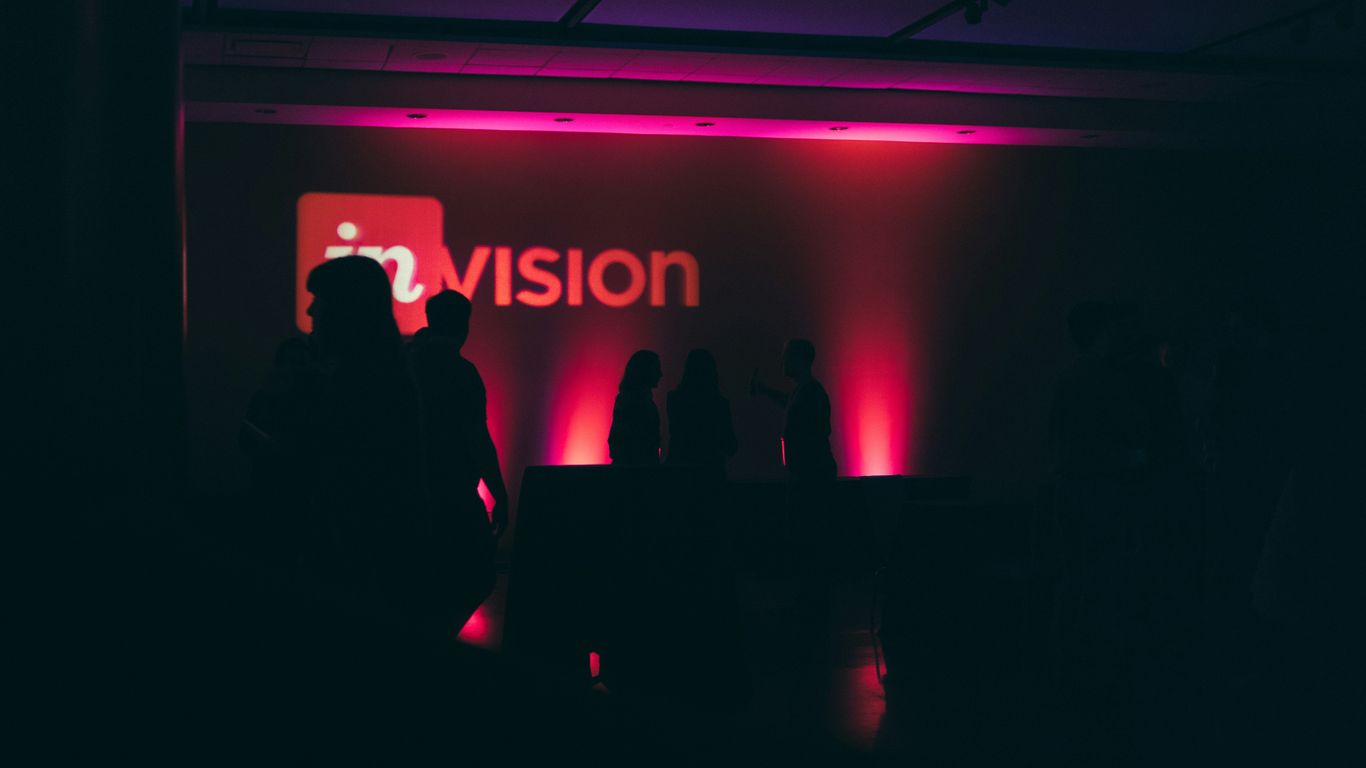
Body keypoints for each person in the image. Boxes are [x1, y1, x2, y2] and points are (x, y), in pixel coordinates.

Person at [407, 289, 509, 634]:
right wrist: (499, 492)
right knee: (477, 574)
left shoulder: (406, 362)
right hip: (452, 493)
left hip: (409, 490)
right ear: (465, 325)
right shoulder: (462, 373)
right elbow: (476, 437)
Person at [751, 338, 837, 482]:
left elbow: (792, 406)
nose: (783, 361)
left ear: (799, 359)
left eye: (787, 356)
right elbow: (790, 402)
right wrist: (765, 390)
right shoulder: (807, 391)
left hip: (811, 475)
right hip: (810, 472)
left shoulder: (810, 392)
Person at [666, 348, 738, 475]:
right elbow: (730, 446)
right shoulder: (719, 404)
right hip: (710, 470)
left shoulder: (674, 399)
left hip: (679, 469)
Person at [608, 350, 663, 465]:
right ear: (645, 371)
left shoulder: (626, 399)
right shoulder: (640, 402)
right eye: (656, 369)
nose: (660, 374)